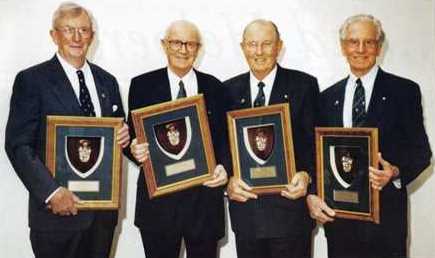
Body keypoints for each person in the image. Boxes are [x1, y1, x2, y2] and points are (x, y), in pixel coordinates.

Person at [4, 2, 130, 258]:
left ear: (92, 37)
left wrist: (124, 136)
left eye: (83, 30)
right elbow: (18, 145)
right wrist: (51, 193)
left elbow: (116, 132)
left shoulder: (107, 81)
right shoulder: (31, 80)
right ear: (54, 35)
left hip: (101, 217)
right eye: (68, 30)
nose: (76, 37)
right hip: (55, 217)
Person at [306, 14, 432, 258]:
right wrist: (313, 193)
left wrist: (394, 172)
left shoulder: (404, 91)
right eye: (353, 42)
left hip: (386, 222)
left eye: (369, 42)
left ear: (379, 46)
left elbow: (421, 153)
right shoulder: (326, 98)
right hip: (340, 220)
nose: (361, 49)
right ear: (343, 47)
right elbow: (316, 155)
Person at [127, 20, 228, 258]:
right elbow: (131, 137)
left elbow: (226, 140)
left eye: (190, 44)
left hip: (204, 204)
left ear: (198, 48)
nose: (183, 50)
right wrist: (133, 149)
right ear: (164, 45)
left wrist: (225, 167)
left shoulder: (215, 87)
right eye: (176, 43)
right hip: (158, 207)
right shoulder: (141, 85)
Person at [224, 19, 319, 258]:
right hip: (246, 215)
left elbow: (315, 144)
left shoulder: (304, 85)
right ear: (243, 47)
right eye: (252, 44)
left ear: (280, 46)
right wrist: (228, 182)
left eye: (266, 44)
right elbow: (221, 147)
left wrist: (307, 176)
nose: (259, 52)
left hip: (290, 212)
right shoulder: (227, 90)